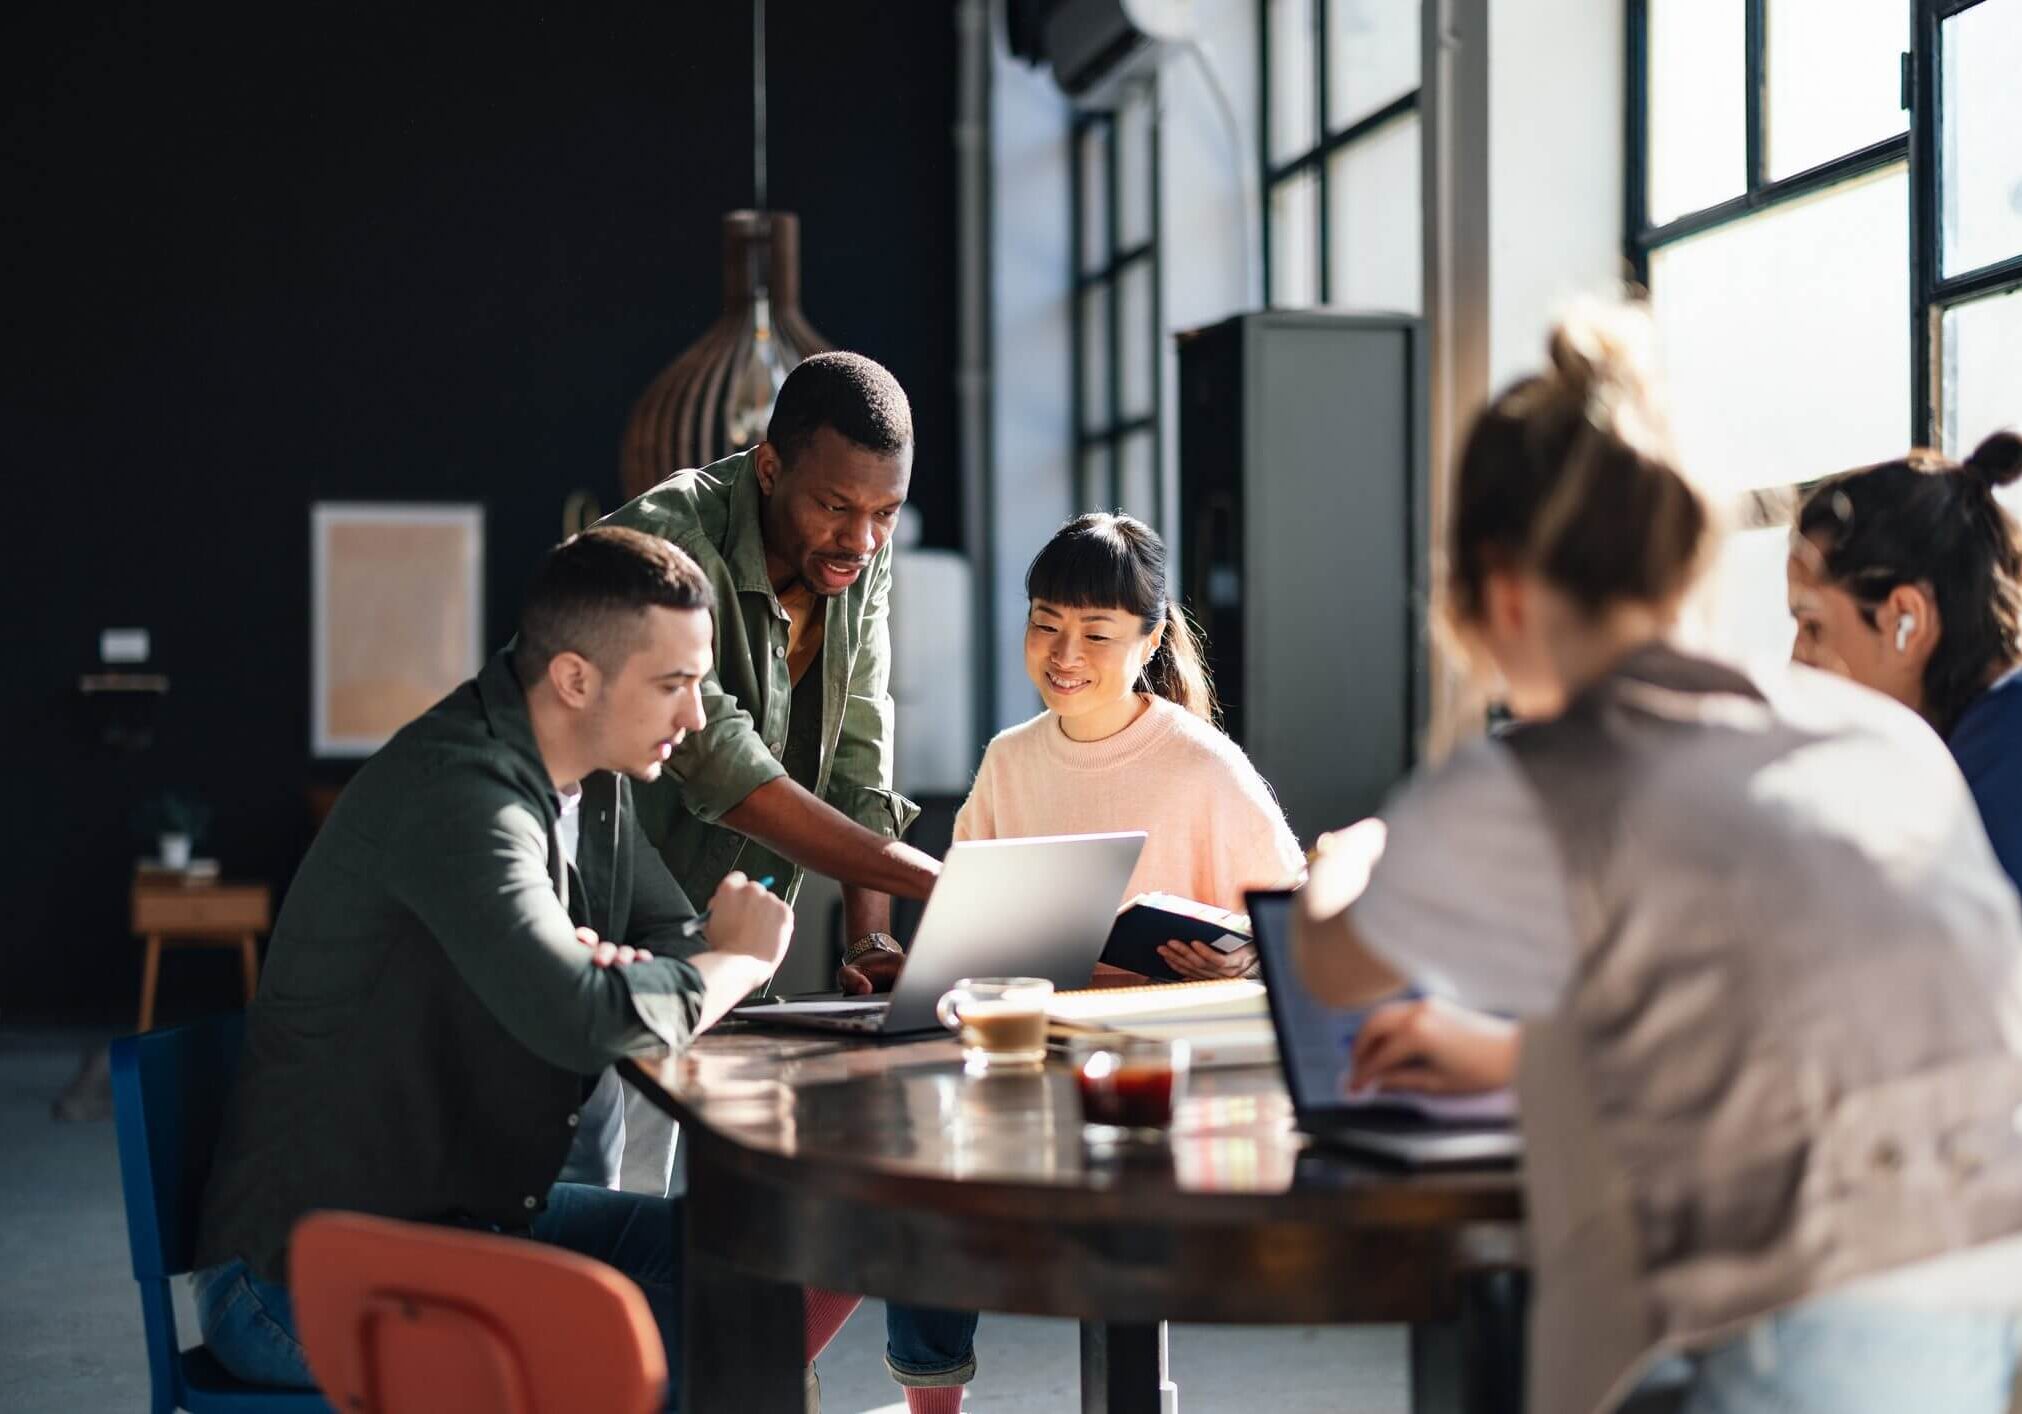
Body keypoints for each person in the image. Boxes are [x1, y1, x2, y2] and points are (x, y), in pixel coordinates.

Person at [1293, 305, 2022, 1414]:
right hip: (1978, 1334)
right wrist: (1515, 1052)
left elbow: (1334, 968)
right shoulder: (1885, 738)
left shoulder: (1544, 770)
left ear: (1499, 592)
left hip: (1775, 1360)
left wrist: (1346, 860)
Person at [191, 528, 819, 1407]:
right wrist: (741, 961)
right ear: (573, 679)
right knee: (665, 1354)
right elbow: (593, 1014)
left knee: (747, 1283)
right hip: (303, 1273)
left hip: (460, 1215)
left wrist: (641, 976)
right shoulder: (459, 794)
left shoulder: (593, 782)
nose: (696, 719)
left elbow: (670, 940)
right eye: (674, 686)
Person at [858, 512, 1306, 1414]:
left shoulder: (1202, 766)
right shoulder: (1010, 760)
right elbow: (964, 927)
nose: (1063, 652)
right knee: (914, 1163)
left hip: (1155, 1081)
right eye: (1044, 621)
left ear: (1148, 640)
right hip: (1030, 1057)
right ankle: (932, 1401)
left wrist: (1227, 964)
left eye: (1096, 633)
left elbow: (1297, 937)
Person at [600, 351, 940, 995]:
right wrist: (941, 885)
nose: (862, 540)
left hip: (727, 963)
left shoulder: (860, 557)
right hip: (593, 930)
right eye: (835, 506)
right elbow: (724, 764)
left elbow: (859, 754)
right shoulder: (664, 544)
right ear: (768, 467)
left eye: (885, 512)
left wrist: (872, 943)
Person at [1788, 430, 2022, 885]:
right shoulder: (1987, 744)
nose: (1796, 665)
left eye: (1813, 627)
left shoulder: (1992, 784)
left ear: (1905, 620)